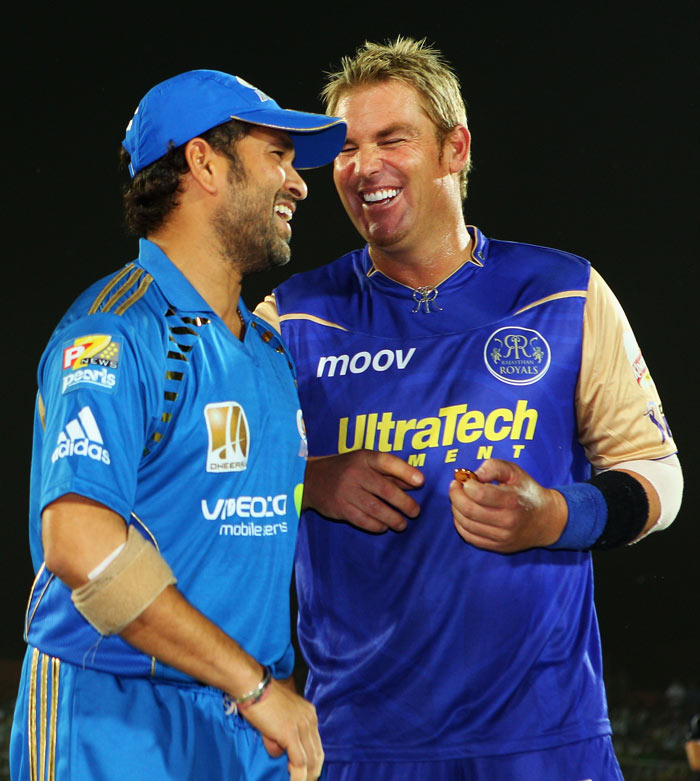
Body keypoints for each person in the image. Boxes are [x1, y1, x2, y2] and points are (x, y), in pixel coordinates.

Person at [255, 38, 683, 779]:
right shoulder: (289, 318)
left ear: (456, 148)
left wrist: (557, 515)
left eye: (393, 139)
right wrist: (311, 478)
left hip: (547, 742)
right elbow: (215, 482)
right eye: (349, 148)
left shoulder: (563, 292)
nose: (362, 166)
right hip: (357, 743)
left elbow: (658, 473)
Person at [10, 69, 346, 781]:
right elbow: (78, 540)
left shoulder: (266, 352)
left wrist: (319, 483)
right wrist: (252, 684)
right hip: (112, 721)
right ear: (204, 162)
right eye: (276, 156)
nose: (299, 183)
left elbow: (210, 495)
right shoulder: (113, 330)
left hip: (241, 726)